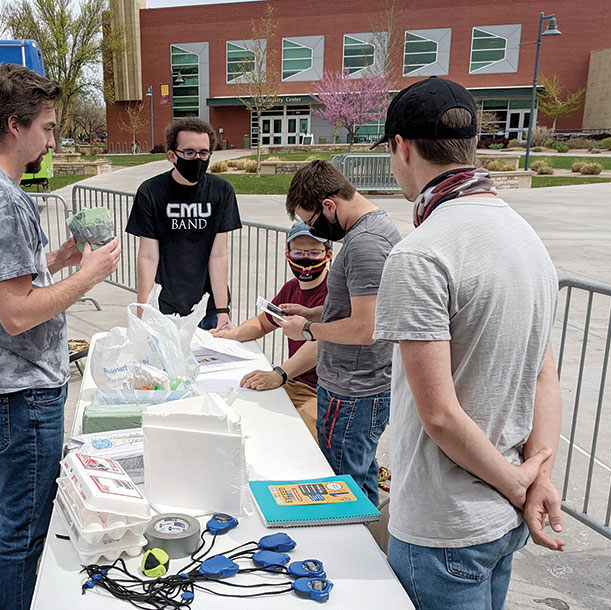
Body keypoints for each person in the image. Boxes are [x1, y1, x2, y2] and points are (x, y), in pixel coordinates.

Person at [371, 76, 565, 610]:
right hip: (504, 517)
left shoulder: (420, 255)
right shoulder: (528, 240)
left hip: (445, 525)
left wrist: (515, 483)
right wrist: (536, 478)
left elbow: (439, 415)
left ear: (401, 147)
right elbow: (544, 375)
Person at [0, 64, 121, 610]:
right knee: (24, 532)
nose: (52, 140)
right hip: (20, 394)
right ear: (12, 125)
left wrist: (59, 259)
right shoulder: (4, 202)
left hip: (2, 384)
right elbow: (16, 314)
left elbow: (3, 283)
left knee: (14, 517)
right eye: (47, 128)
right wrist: (87, 275)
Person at [277, 161, 401, 506]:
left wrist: (308, 329)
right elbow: (361, 306)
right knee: (359, 473)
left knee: (346, 488)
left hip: (353, 391)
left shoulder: (364, 245)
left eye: (313, 222)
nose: (314, 230)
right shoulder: (375, 229)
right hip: (358, 386)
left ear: (329, 206)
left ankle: (359, 552)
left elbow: (367, 328)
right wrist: (315, 311)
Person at [213, 221, 332, 441]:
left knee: (303, 440)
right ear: (288, 255)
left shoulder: (333, 293)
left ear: (328, 255)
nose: (306, 258)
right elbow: (263, 323)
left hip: (321, 390)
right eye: (299, 252)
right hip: (294, 381)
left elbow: (320, 343)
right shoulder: (291, 288)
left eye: (314, 252)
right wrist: (230, 334)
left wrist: (279, 374)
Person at [125, 118, 241, 330]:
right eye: (189, 152)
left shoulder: (222, 191)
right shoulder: (150, 192)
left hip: (209, 306)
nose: (197, 158)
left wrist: (223, 310)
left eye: (204, 152)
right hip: (165, 307)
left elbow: (219, 254)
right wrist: (143, 310)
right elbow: (148, 256)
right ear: (172, 155)